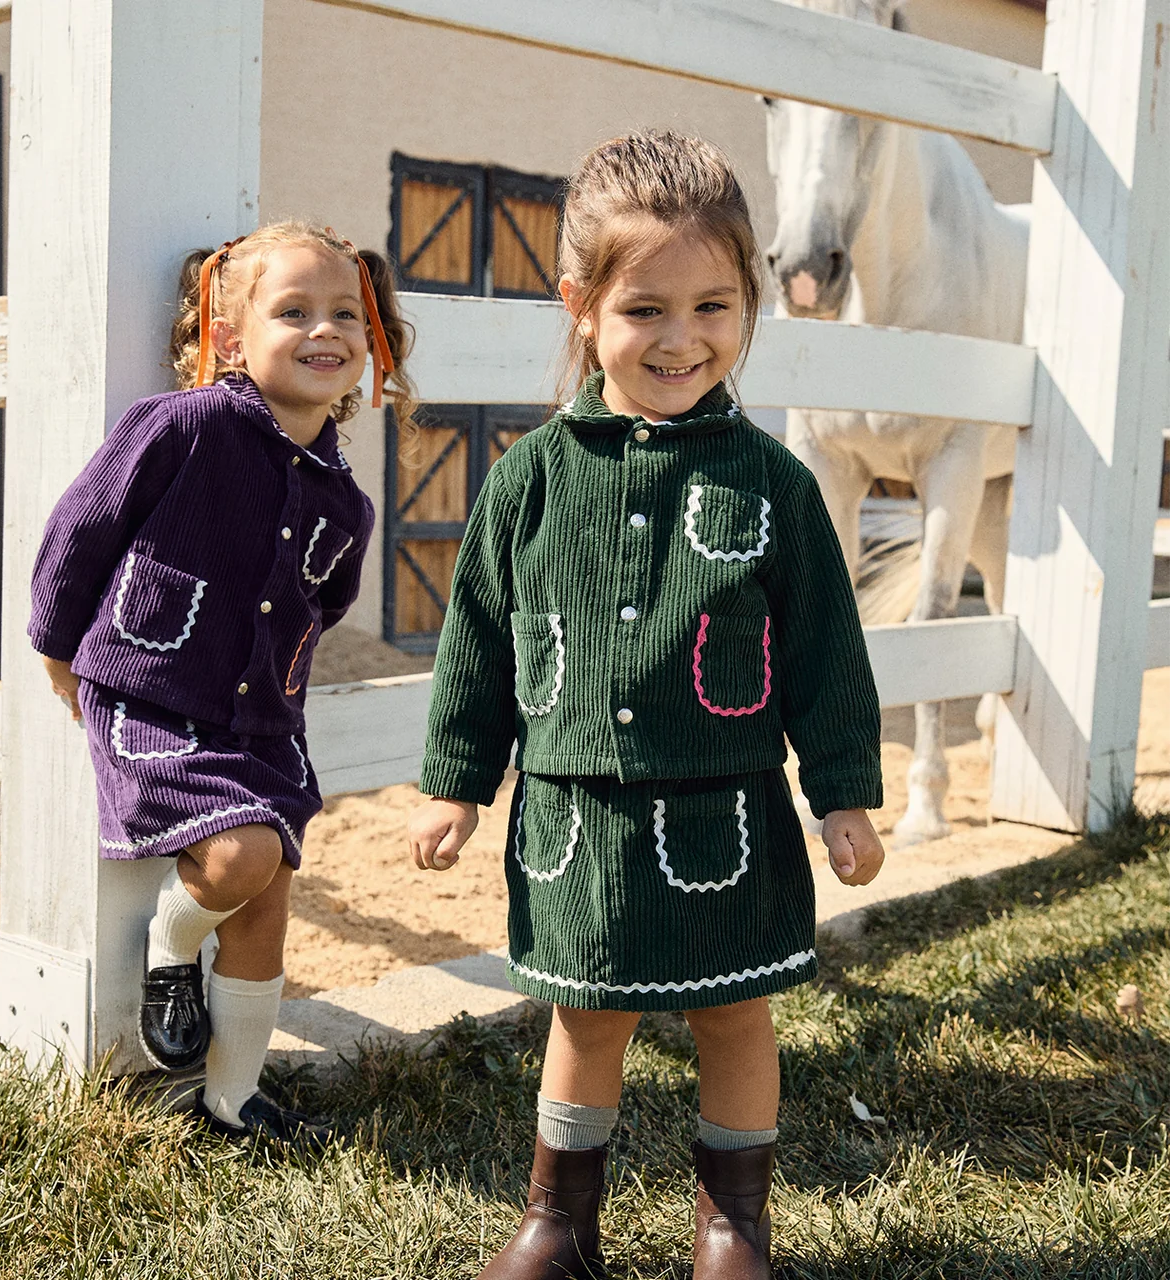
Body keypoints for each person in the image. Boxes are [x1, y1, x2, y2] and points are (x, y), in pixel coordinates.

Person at [407, 131, 885, 1279]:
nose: (682, 338)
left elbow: (824, 650)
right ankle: (556, 1223)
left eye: (713, 305)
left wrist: (844, 795)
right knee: (587, 1018)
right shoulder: (526, 479)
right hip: (576, 822)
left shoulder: (772, 485)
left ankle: (733, 1226)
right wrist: (454, 783)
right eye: (644, 309)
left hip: (726, 813)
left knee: (734, 1013)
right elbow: (476, 639)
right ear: (580, 306)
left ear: (748, 304)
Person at [29, 220, 415, 1148]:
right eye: (294, 312)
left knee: (269, 890)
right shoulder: (187, 426)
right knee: (240, 862)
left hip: (260, 722)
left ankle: (234, 1098)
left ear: (370, 346)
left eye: (345, 315)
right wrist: (56, 644)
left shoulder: (344, 499)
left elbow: (323, 601)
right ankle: (172, 948)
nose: (324, 331)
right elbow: (82, 527)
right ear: (234, 337)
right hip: (157, 692)